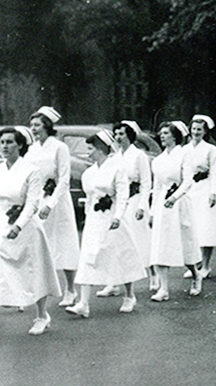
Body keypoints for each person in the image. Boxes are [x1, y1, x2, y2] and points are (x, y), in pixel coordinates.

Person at [0, 126, 62, 343]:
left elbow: (32, 203)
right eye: (2, 142)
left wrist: (19, 226)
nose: (4, 146)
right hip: (0, 227)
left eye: (10, 142)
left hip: (26, 228)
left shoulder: (31, 170)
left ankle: (41, 315)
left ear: (20, 145)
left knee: (33, 273)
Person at [65, 130, 145, 317]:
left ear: (101, 149)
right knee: (87, 257)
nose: (88, 153)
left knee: (120, 255)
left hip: (113, 219)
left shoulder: (117, 169)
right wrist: (88, 219)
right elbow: (90, 197)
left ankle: (129, 296)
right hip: (94, 220)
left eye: (90, 149)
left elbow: (123, 195)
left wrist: (117, 217)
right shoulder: (89, 173)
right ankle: (83, 303)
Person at [24, 107, 80, 307]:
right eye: (31, 125)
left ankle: (71, 289)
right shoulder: (31, 149)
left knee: (64, 244)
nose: (33, 129)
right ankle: (34, 291)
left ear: (47, 125)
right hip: (37, 202)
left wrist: (50, 203)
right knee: (37, 246)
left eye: (37, 125)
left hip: (57, 202)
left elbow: (64, 179)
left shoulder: (59, 147)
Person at [97, 121, 154, 297]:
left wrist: (143, 206)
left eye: (121, 133)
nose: (118, 137)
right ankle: (113, 283)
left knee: (140, 242)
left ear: (129, 135)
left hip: (135, 202)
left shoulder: (139, 156)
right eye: (116, 134)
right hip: (117, 206)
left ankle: (154, 277)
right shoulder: (113, 158)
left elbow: (146, 183)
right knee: (115, 242)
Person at [149, 121, 203, 300]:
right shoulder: (158, 160)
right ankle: (163, 289)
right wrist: (152, 211)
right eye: (161, 132)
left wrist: (174, 197)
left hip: (179, 203)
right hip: (162, 206)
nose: (162, 136)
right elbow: (157, 187)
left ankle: (196, 275)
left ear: (175, 135)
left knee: (184, 244)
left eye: (166, 133)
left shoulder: (184, 154)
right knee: (160, 246)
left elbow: (188, 181)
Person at [178, 115, 216, 277]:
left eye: (199, 129)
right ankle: (194, 264)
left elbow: (215, 172)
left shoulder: (211, 149)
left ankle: (205, 265)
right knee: (191, 228)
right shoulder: (184, 149)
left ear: (205, 132)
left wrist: (213, 192)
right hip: (189, 190)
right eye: (193, 129)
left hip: (205, 189)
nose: (196, 132)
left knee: (206, 228)